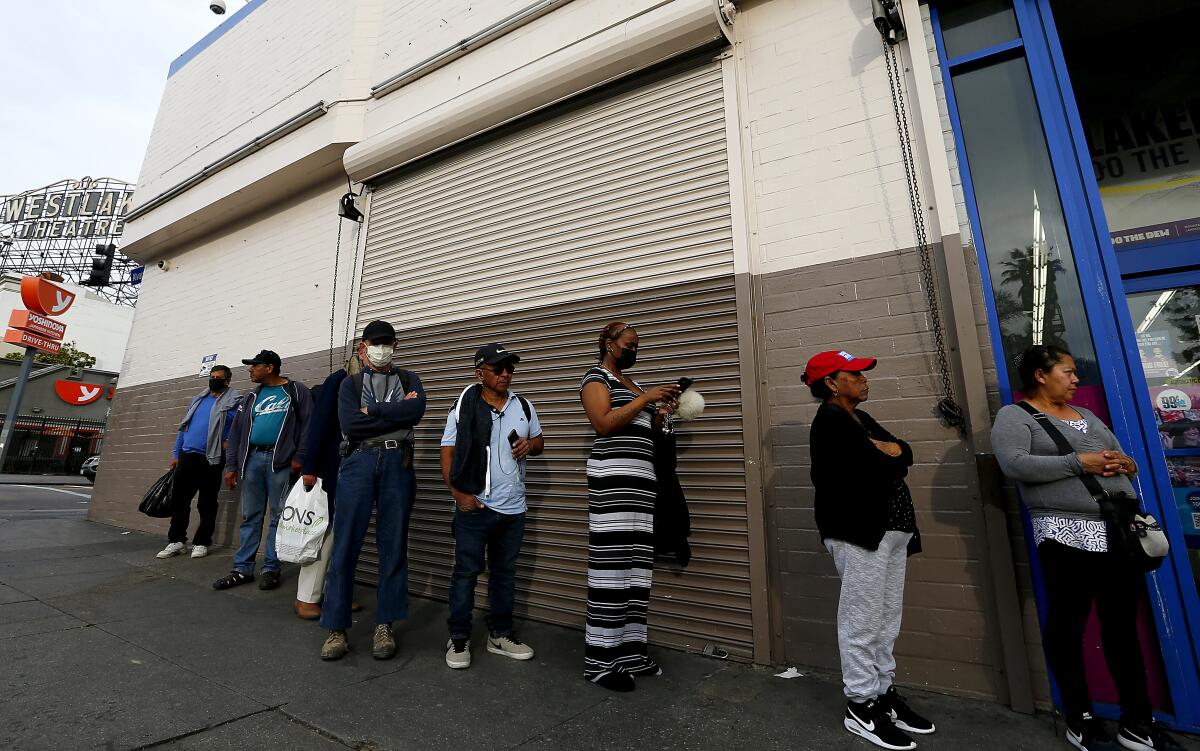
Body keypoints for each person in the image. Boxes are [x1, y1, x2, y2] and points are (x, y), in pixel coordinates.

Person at [992, 345, 1181, 751]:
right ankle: (1080, 718)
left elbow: (1120, 456)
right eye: (1068, 371)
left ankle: (1137, 721)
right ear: (1040, 376)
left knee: (1121, 627)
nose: (1076, 378)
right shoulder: (1015, 416)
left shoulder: (1088, 417)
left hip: (1119, 531)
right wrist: (1082, 463)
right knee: (1068, 625)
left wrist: (1124, 463)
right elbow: (1014, 464)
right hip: (1066, 534)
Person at [803, 349, 935, 751]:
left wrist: (892, 451)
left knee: (886, 617)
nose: (864, 379)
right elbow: (877, 464)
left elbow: (904, 451)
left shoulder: (859, 418)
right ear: (831, 382)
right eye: (854, 373)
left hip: (892, 531)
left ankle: (882, 692)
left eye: (863, 373)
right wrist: (889, 453)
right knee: (862, 619)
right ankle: (861, 704)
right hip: (859, 531)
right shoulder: (829, 420)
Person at [579, 321, 679, 692]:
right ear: (609, 344)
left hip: (642, 485)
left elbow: (644, 431)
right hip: (613, 483)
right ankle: (600, 660)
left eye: (637, 344)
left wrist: (661, 414)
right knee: (611, 569)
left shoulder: (632, 385)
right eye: (629, 344)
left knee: (637, 571)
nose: (634, 349)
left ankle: (630, 651)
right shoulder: (596, 379)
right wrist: (644, 399)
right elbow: (603, 423)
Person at [319, 320, 426, 661]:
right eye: (373, 343)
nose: (380, 349)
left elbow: (416, 411)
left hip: (398, 462)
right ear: (363, 347)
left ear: (395, 344)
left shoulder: (410, 379)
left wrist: (377, 411)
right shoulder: (348, 384)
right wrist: (397, 414)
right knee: (346, 543)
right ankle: (336, 629)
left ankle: (385, 625)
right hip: (358, 461)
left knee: (393, 544)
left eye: (386, 343)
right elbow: (351, 424)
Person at [441, 343, 544, 669]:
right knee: (466, 574)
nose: (505, 374)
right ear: (479, 373)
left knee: (505, 575)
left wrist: (531, 444)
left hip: (513, 508)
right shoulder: (464, 406)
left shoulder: (524, 406)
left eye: (509, 368)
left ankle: (500, 634)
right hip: (476, 505)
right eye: (498, 368)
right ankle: (458, 638)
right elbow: (448, 451)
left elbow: (539, 441)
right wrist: (458, 494)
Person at [213, 350, 312, 592]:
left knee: (279, 517)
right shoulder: (250, 397)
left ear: (270, 367)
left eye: (254, 366)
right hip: (253, 460)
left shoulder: (296, 391)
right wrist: (232, 465)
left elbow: (309, 425)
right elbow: (236, 433)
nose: (250, 370)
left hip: (281, 462)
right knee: (250, 517)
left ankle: (271, 568)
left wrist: (299, 457)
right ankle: (242, 568)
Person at [294, 353, 361, 620]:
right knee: (324, 535)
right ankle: (306, 598)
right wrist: (310, 468)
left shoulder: (376, 385)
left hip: (356, 473)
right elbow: (319, 425)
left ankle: (336, 595)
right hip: (331, 471)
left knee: (344, 538)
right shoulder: (340, 380)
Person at [157, 365, 240, 560]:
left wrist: (227, 442)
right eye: (212, 376)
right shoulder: (198, 399)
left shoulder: (234, 402)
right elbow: (184, 428)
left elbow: (236, 428)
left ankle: (202, 542)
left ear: (227, 381)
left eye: (218, 377)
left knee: (207, 503)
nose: (214, 379)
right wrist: (177, 454)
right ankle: (176, 541)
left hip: (211, 458)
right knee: (180, 501)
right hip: (187, 456)